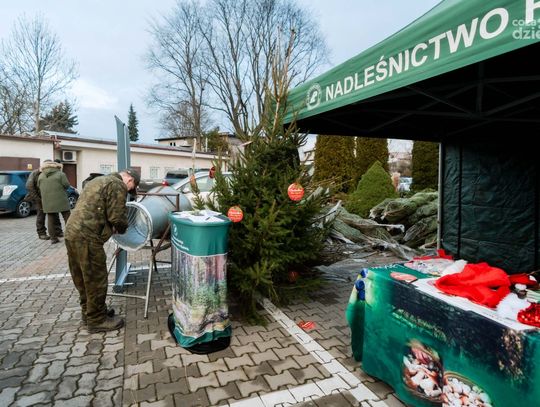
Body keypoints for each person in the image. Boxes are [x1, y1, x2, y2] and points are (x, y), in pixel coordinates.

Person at [64, 168, 140, 333]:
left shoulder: (97, 180)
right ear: (130, 180)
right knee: (95, 279)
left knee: (82, 277)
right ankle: (97, 320)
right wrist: (122, 229)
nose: (129, 191)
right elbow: (117, 216)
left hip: (72, 232)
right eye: (131, 188)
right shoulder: (117, 185)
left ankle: (89, 312)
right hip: (87, 236)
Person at [37, 160, 71, 244]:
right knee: (68, 218)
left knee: (50, 219)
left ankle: (53, 238)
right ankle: (71, 236)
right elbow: (67, 185)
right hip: (61, 199)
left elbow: (38, 186)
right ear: (56, 166)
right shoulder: (61, 174)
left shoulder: (41, 175)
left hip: (47, 201)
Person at [24, 166, 61, 240]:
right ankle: (41, 233)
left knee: (55, 214)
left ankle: (58, 231)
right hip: (39, 198)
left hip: (50, 197)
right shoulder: (35, 173)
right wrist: (38, 199)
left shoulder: (52, 173)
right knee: (41, 215)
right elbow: (29, 186)